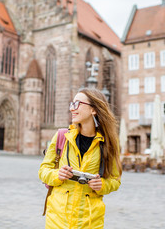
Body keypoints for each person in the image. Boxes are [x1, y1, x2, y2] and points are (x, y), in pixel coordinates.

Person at [38, 88, 122, 229]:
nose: (72, 109)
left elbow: (115, 180)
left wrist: (102, 185)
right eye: (72, 104)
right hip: (58, 220)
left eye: (77, 104)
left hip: (90, 221)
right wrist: (57, 174)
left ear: (93, 110)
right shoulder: (61, 136)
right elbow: (43, 171)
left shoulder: (108, 144)